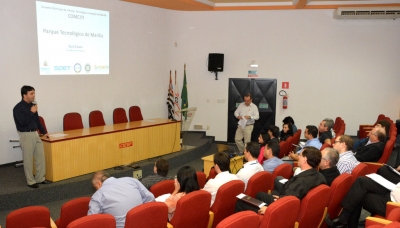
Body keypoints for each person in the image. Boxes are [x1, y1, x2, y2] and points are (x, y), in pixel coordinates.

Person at [235, 146, 326, 214]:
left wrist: (268, 209)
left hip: (279, 211)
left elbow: (286, 206)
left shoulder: (300, 182)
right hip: (287, 201)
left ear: (305, 160)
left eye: (300, 155)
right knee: (260, 195)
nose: (298, 157)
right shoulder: (320, 176)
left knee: (240, 202)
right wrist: (282, 198)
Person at [328, 165, 400, 228]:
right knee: (361, 181)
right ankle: (344, 220)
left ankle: (344, 220)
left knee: (359, 194)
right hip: (395, 189)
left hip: (393, 203)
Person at [13, 85, 51, 188]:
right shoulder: (18, 108)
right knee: (28, 159)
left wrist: (44, 132)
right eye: (31, 93)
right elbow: (22, 122)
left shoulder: (32, 106)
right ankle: (30, 181)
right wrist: (31, 112)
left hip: (35, 133)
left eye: (34, 93)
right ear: (24, 95)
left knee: (40, 157)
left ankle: (40, 178)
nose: (34, 95)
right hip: (25, 134)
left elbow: (37, 121)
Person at [88, 170, 154, 228]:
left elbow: (91, 221)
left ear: (99, 184)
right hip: (145, 224)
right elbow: (151, 198)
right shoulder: (131, 180)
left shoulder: (98, 195)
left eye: (95, 188)